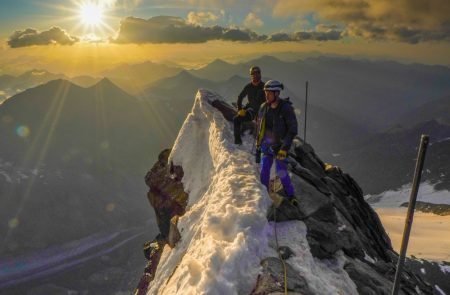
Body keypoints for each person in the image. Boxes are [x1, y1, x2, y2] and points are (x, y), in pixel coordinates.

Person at [256, 80, 298, 201]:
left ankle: (291, 195)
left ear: (277, 94)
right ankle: (265, 196)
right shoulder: (264, 107)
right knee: (264, 170)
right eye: (266, 93)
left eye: (269, 93)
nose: (266, 96)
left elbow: (293, 130)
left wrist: (284, 148)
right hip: (267, 145)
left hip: (281, 147)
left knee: (281, 171)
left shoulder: (286, 109)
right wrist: (259, 143)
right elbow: (260, 125)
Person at [233, 66, 265, 145]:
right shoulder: (249, 87)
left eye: (257, 74)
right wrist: (240, 110)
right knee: (236, 119)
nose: (255, 76)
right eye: (254, 74)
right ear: (251, 76)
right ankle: (238, 140)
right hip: (252, 111)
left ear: (260, 75)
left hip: (262, 111)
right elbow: (240, 97)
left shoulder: (264, 87)